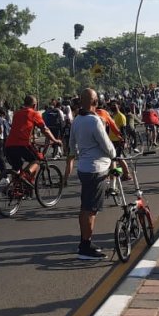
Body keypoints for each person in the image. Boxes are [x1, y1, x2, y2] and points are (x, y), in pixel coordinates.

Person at [69, 88, 115, 260]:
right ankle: (85, 247)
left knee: (85, 208)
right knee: (91, 210)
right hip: (97, 169)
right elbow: (107, 145)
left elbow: (71, 145)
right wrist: (115, 156)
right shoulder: (95, 121)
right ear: (95, 103)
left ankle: (84, 242)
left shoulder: (77, 121)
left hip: (84, 168)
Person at [4, 95, 61, 180]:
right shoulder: (34, 113)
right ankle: (24, 177)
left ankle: (15, 188)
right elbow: (45, 130)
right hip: (22, 144)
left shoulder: (17, 113)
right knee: (37, 160)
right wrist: (55, 140)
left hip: (9, 145)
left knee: (16, 167)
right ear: (34, 105)